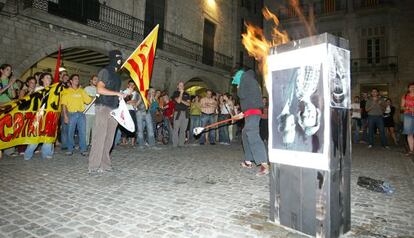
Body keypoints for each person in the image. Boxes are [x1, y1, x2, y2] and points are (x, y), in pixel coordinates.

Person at [88, 50, 126, 174]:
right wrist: (117, 93)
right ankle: (94, 166)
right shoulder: (105, 71)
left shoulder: (118, 76)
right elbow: (100, 89)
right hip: (103, 107)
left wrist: (125, 94)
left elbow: (116, 93)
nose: (119, 60)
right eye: (117, 58)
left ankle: (105, 165)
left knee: (109, 139)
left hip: (114, 109)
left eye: (121, 58)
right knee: (99, 137)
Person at [232, 68, 269, 176]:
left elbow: (242, 95)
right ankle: (248, 161)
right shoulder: (250, 80)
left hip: (253, 112)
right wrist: (242, 113)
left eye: (235, 81)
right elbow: (250, 100)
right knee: (245, 134)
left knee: (252, 134)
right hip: (250, 112)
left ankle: (264, 164)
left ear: (238, 76)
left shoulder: (245, 79)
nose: (235, 83)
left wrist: (239, 87)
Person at [61, 74, 92, 156]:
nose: (77, 80)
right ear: (71, 81)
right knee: (70, 132)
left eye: (78, 79)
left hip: (81, 114)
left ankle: (83, 149)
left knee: (83, 132)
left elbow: (88, 101)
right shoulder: (66, 91)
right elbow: (63, 105)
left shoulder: (81, 91)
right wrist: (65, 116)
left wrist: (97, 95)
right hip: (71, 114)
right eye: (75, 79)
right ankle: (70, 149)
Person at [172, 81, 191, 147]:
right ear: (177, 86)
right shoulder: (175, 93)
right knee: (176, 129)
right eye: (180, 85)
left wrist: (182, 101)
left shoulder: (187, 94)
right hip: (178, 113)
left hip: (185, 113)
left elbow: (188, 104)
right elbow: (178, 101)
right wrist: (181, 93)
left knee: (183, 129)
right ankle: (175, 144)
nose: (181, 86)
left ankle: (181, 143)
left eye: (182, 85)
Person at [84, 75, 98, 147]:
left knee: (95, 130)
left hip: (96, 112)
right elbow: (87, 98)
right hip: (88, 112)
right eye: (95, 80)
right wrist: (96, 98)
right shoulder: (87, 88)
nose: (96, 81)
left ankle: (93, 144)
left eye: (97, 80)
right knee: (87, 130)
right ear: (91, 81)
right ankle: (85, 144)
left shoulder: (99, 89)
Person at [401, 82, 414, 156]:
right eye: (411, 87)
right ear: (408, 88)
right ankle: (411, 150)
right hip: (408, 115)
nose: (412, 88)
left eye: (413, 87)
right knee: (409, 133)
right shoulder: (405, 96)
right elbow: (402, 107)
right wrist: (409, 108)